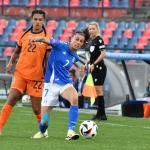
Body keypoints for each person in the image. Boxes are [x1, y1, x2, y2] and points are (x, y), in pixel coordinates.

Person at [0, 10, 51, 135]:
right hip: (20, 73)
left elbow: (48, 58)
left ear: (43, 21)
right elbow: (17, 51)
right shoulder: (24, 35)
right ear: (32, 20)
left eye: (40, 19)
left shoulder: (46, 37)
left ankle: (44, 131)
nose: (37, 22)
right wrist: (11, 62)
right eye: (35, 19)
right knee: (11, 98)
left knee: (36, 108)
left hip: (37, 77)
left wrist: (47, 73)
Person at [30, 31, 86, 140]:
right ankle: (43, 132)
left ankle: (70, 131)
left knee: (74, 98)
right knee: (44, 122)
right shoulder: (60, 45)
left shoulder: (75, 57)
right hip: (50, 85)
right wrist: (36, 38)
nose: (78, 42)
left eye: (81, 41)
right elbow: (46, 40)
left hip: (65, 83)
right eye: (77, 39)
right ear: (71, 38)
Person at [84, 22, 107, 120]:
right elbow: (92, 55)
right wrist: (88, 62)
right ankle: (100, 114)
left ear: (97, 29)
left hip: (100, 68)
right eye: (90, 29)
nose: (91, 31)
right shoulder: (90, 41)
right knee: (97, 91)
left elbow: (103, 54)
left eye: (93, 29)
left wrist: (95, 64)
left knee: (99, 90)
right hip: (94, 68)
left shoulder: (99, 40)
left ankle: (101, 114)